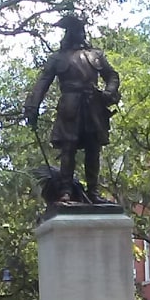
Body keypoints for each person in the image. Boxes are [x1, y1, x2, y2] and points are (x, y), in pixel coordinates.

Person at [24, 14, 120, 204]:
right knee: (69, 148)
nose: (79, 34)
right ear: (68, 34)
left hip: (93, 105)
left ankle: (93, 192)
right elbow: (42, 83)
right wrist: (32, 106)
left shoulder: (96, 55)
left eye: (80, 30)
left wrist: (109, 92)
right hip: (70, 105)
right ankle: (66, 191)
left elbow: (112, 76)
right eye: (75, 30)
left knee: (93, 148)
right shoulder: (57, 58)